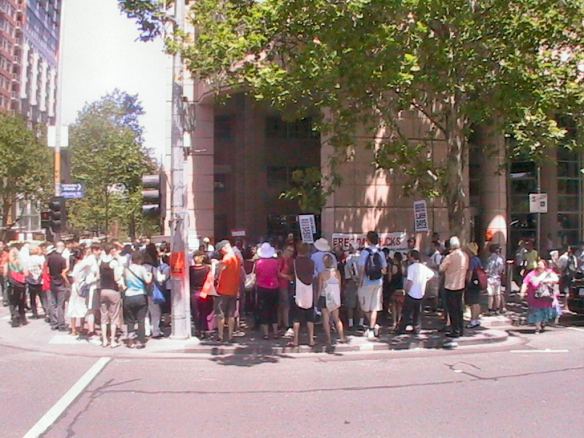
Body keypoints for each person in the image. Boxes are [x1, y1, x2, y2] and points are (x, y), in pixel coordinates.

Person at [396, 250, 434, 335]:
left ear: (412, 257)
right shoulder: (423, 267)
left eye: (409, 257)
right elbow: (431, 274)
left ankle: (401, 328)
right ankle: (416, 328)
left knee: (406, 312)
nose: (408, 259)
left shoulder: (411, 268)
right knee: (417, 313)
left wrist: (406, 290)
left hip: (412, 293)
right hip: (420, 293)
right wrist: (425, 280)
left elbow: (410, 281)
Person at [357, 231, 387, 339]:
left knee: (364, 307)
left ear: (368, 240)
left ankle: (372, 327)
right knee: (374, 307)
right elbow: (384, 269)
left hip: (366, 282)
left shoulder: (365, 253)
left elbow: (361, 269)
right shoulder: (381, 252)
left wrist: (360, 282)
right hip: (378, 282)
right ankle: (372, 328)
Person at [439, 236, 469, 338]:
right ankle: (460, 329)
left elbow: (441, 269)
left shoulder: (450, 257)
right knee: (459, 309)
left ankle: (454, 330)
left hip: (450, 285)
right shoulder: (465, 255)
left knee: (452, 310)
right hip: (461, 285)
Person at [520, 259, 559, 334]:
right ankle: (537, 328)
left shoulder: (549, 273)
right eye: (538, 264)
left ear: (545, 266)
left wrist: (547, 281)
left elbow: (556, 279)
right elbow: (525, 283)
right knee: (537, 312)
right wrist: (522, 292)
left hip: (546, 298)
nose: (539, 266)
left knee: (545, 312)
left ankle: (543, 322)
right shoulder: (532, 274)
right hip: (535, 298)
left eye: (541, 265)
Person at [123, 251, 152, 349]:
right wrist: (150, 275)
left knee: (130, 320)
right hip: (140, 296)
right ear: (140, 260)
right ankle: (140, 341)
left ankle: (130, 341)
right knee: (141, 320)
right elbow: (147, 281)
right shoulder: (142, 268)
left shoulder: (126, 269)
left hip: (128, 296)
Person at [215, 240, 241, 343]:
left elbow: (218, 273)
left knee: (220, 314)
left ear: (224, 249)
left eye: (221, 251)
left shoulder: (226, 259)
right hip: (234, 289)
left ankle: (220, 336)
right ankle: (230, 335)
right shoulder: (237, 259)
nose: (221, 253)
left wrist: (217, 265)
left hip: (223, 290)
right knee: (231, 314)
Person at [99, 243, 124, 348]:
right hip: (113, 290)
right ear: (112, 251)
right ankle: (113, 340)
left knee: (103, 316)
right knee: (114, 316)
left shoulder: (100, 262)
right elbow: (116, 278)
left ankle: (104, 340)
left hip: (103, 290)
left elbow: (97, 275)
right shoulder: (113, 262)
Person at [291, 243, 316, 347]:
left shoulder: (295, 262)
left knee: (296, 318)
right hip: (309, 290)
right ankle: (311, 340)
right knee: (310, 317)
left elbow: (292, 275)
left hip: (298, 291)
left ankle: (296, 341)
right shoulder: (311, 262)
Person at [318, 254, 346, 345]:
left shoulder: (322, 274)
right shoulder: (337, 272)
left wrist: (317, 300)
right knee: (336, 318)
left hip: (325, 296)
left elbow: (319, 288)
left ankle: (328, 339)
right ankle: (342, 337)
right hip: (335, 297)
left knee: (325, 319)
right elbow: (339, 286)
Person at [255, 242, 280, 339]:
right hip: (274, 287)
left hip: (262, 287)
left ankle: (265, 334)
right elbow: (277, 273)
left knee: (264, 310)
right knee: (274, 310)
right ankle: (275, 333)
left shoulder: (259, 263)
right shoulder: (275, 262)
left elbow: (257, 274)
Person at [189, 251, 214, 338]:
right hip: (204, 292)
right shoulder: (207, 268)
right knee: (204, 312)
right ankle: (204, 329)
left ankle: (197, 329)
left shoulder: (190, 269)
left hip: (193, 293)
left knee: (196, 312)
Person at [66, 247, 90, 337]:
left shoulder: (73, 265)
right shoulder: (83, 264)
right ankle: (81, 327)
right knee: (83, 307)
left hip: (74, 286)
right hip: (82, 286)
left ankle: (73, 329)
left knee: (73, 307)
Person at [46, 242, 69, 331]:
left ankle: (54, 323)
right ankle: (61, 324)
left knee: (53, 304)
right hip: (60, 283)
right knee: (60, 305)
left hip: (52, 282)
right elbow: (63, 273)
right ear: (62, 247)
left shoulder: (49, 258)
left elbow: (47, 270)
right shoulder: (62, 259)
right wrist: (68, 283)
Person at [143, 243, 163, 339]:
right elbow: (159, 279)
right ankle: (155, 330)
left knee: (145, 312)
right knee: (155, 311)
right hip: (151, 291)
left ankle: (146, 330)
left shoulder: (140, 267)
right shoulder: (153, 268)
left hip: (141, 291)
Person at [7, 246, 27, 327]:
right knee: (21, 301)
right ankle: (23, 318)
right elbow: (26, 273)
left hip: (12, 285)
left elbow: (5, 273)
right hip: (21, 285)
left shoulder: (8, 263)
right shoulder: (22, 262)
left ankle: (15, 316)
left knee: (12, 302)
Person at [465, 242, 483, 329]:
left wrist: (467, 282)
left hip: (472, 283)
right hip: (478, 282)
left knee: (472, 303)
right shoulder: (477, 259)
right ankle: (476, 319)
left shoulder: (472, 260)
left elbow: (470, 273)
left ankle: (473, 320)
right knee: (476, 302)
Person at [278, 244, 294, 336]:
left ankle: (281, 323)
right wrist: (287, 277)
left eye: (292, 251)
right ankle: (285, 324)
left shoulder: (289, 260)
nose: (290, 253)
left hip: (287, 284)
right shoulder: (281, 260)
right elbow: (278, 272)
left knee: (283, 305)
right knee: (285, 305)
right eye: (289, 250)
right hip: (281, 284)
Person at [25, 246, 46, 319]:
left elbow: (26, 271)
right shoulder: (40, 259)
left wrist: (30, 277)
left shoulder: (27, 259)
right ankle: (46, 312)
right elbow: (43, 269)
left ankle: (35, 313)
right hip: (40, 280)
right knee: (42, 297)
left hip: (31, 281)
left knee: (32, 298)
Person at [343, 245, 360, 329]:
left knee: (350, 303)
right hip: (361, 281)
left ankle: (351, 324)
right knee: (360, 303)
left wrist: (354, 279)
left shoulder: (350, 258)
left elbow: (352, 269)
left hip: (351, 281)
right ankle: (360, 322)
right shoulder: (361, 257)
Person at [486, 244, 506, 314]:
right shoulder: (501, 259)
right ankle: (497, 309)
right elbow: (501, 270)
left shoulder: (489, 259)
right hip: (497, 278)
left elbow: (487, 270)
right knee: (498, 294)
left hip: (490, 278)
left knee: (490, 295)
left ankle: (490, 309)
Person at [388, 252, 405, 330]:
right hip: (401, 288)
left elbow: (389, 278)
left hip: (393, 288)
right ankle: (399, 321)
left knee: (393, 306)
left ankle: (394, 322)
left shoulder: (393, 267)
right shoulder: (402, 267)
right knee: (400, 306)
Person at [0, 242, 9, 306]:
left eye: (1, 245)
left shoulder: (6, 254)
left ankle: (5, 300)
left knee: (5, 286)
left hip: (4, 272)